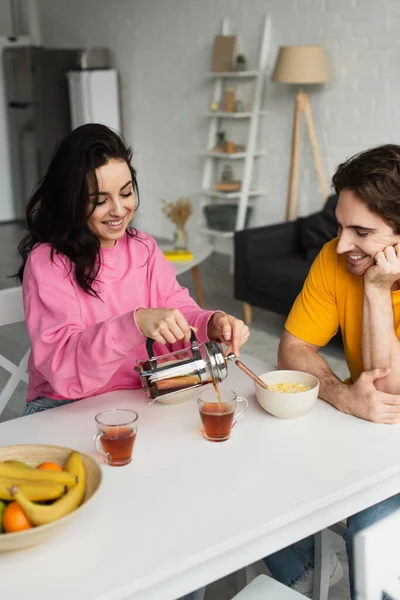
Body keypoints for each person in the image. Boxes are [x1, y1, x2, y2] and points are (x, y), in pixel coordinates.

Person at [17, 123, 249, 420]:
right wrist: (135, 322)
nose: (118, 210)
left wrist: (211, 323)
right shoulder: (47, 262)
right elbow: (63, 365)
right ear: (71, 200)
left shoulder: (143, 248)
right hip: (65, 407)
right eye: (100, 200)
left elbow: (177, 310)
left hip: (140, 397)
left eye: (126, 193)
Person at [263, 144, 400, 599]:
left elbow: (391, 392)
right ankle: (305, 575)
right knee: (257, 460)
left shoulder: (371, 275)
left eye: (360, 231)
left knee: (369, 528)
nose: (342, 245)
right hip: (374, 434)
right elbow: (294, 348)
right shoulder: (334, 257)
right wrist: (342, 395)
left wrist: (377, 292)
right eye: (340, 226)